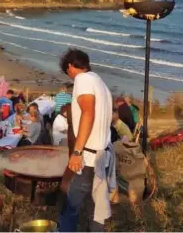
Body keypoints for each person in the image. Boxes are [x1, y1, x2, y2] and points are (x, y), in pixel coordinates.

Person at [58, 48, 115, 232]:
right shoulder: (100, 83)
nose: (70, 77)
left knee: (70, 206)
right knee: (96, 208)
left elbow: (88, 112)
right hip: (102, 155)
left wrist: (77, 152)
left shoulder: (83, 79)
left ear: (70, 66)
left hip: (89, 157)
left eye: (68, 73)